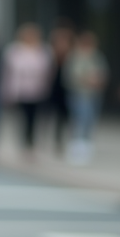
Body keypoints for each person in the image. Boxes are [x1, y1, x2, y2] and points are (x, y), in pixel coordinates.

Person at [0, 23, 52, 155]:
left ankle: (32, 142)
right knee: (23, 117)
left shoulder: (43, 51)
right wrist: (6, 91)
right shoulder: (14, 50)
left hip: (38, 90)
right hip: (21, 91)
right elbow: (7, 73)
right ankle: (24, 142)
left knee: (35, 118)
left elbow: (48, 72)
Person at [64, 30, 108, 165]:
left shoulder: (97, 56)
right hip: (79, 94)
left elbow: (103, 73)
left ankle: (86, 146)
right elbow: (71, 76)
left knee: (90, 120)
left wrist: (97, 81)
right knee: (80, 119)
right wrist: (87, 79)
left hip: (93, 94)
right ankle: (77, 146)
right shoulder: (75, 56)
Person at [46, 22, 75, 153]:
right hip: (54, 89)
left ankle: (72, 140)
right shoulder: (49, 54)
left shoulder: (73, 55)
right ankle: (58, 140)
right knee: (56, 116)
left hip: (69, 89)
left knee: (69, 115)